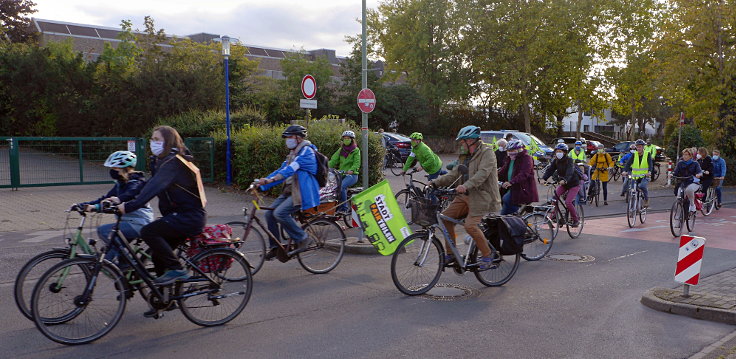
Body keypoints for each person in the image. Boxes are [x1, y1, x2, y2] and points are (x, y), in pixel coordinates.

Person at [117, 126, 206, 286]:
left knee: (148, 232)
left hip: (188, 217)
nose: (152, 143)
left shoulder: (174, 163)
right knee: (159, 256)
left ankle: (178, 269)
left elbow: (153, 188)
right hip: (178, 217)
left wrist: (129, 206)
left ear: (168, 141)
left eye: (157, 140)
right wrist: (120, 199)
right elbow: (147, 184)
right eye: (152, 139)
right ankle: (164, 301)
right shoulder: (163, 162)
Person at [429, 125, 501, 270]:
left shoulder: (487, 153)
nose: (461, 144)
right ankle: (451, 254)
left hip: (482, 196)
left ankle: (488, 255)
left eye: (462, 141)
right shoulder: (465, 157)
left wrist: (466, 185)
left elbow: (483, 173)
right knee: (444, 219)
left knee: (470, 226)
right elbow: (453, 174)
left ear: (471, 141)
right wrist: (434, 183)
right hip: (464, 196)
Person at [258, 125, 320, 261]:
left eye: (289, 137)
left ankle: (303, 238)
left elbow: (291, 169)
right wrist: (262, 183)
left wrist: (273, 179)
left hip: (302, 192)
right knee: (269, 214)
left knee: (279, 213)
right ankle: (275, 247)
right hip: (290, 191)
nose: (287, 140)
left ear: (298, 138)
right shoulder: (292, 154)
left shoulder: (306, 152)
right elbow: (281, 171)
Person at [78, 151, 153, 263]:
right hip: (126, 223)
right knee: (109, 253)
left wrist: (117, 200)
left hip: (139, 223)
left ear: (125, 168)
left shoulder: (137, 182)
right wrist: (84, 205)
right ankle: (122, 272)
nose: (112, 170)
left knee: (104, 231)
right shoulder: (120, 183)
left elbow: (129, 194)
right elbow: (105, 198)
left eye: (115, 167)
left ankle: (128, 263)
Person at [542, 143, 582, 227]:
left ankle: (576, 220)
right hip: (564, 184)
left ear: (564, 152)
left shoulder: (569, 160)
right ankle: (553, 216)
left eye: (560, 151)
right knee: (554, 198)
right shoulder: (556, 161)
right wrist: (544, 178)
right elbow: (550, 170)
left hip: (573, 184)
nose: (558, 153)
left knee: (568, 202)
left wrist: (565, 180)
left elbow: (569, 172)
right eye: (557, 151)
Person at [498, 140, 538, 215]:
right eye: (509, 150)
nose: (510, 152)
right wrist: (493, 176)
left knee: (507, 201)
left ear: (520, 149)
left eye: (513, 150)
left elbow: (524, 174)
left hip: (523, 189)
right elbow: (502, 171)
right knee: (504, 205)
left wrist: (511, 182)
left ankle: (515, 223)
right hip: (513, 189)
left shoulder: (527, 158)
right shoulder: (510, 159)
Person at [329, 130, 361, 213]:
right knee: (331, 188)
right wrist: (325, 167)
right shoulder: (341, 150)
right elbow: (333, 160)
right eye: (345, 138)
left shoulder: (356, 150)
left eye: (348, 138)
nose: (346, 140)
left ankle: (344, 208)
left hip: (352, 175)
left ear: (352, 140)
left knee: (342, 187)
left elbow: (356, 163)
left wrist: (352, 170)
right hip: (341, 174)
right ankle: (335, 206)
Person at [622, 139, 653, 207]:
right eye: (637, 147)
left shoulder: (647, 154)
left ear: (643, 147)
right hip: (635, 176)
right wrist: (625, 171)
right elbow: (628, 163)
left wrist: (649, 172)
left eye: (640, 147)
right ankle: (633, 208)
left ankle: (646, 200)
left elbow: (650, 164)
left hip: (644, 176)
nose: (639, 148)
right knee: (632, 190)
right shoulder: (634, 154)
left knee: (642, 186)